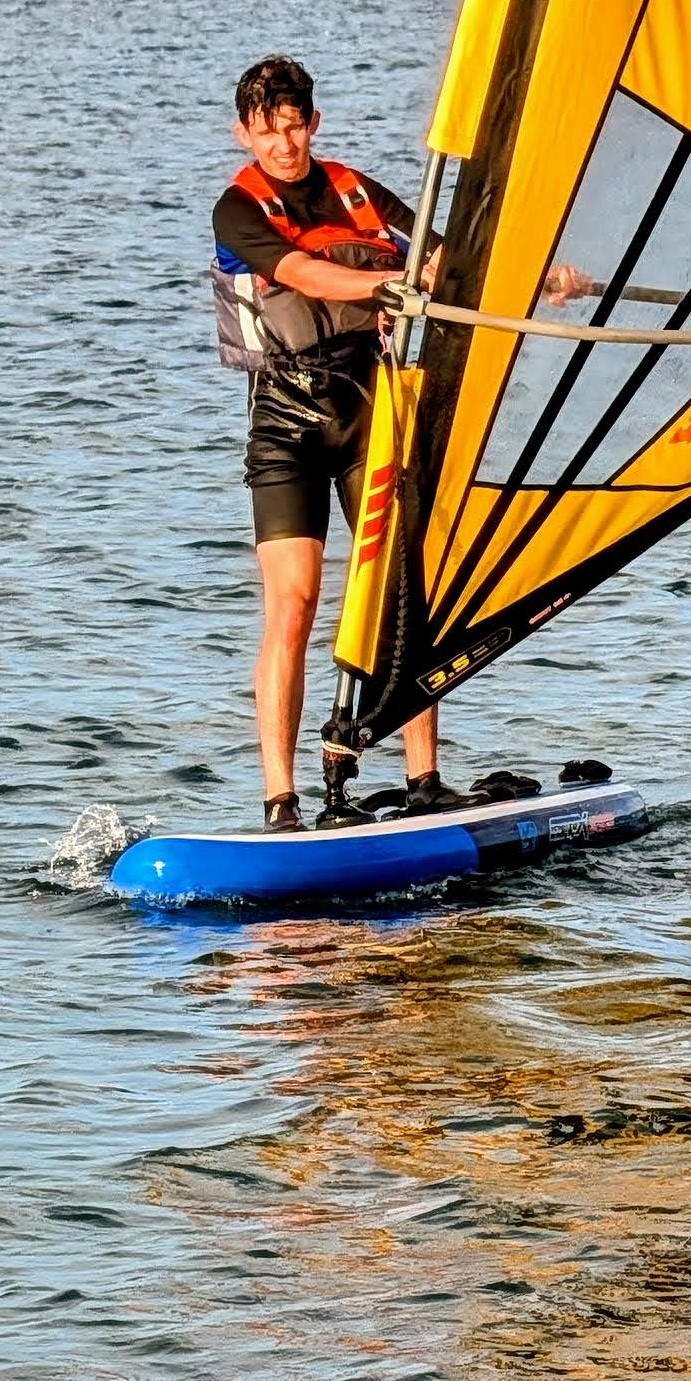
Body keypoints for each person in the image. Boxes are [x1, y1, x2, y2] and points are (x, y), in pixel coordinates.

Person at [211, 54, 449, 829]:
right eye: (267, 130)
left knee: (399, 592)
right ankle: (282, 803)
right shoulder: (237, 211)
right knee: (294, 603)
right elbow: (306, 275)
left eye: (294, 126)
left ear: (312, 123)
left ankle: (423, 781)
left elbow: (442, 253)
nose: (283, 143)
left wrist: (538, 276)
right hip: (283, 422)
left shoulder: (355, 190)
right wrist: (386, 286)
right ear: (244, 133)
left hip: (367, 411)